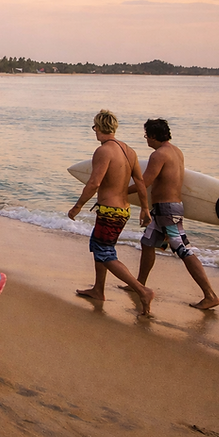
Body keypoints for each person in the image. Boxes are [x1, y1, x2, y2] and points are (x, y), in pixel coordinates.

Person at [69, 110, 155, 316]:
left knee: (105, 253)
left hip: (109, 211)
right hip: (123, 210)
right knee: (100, 247)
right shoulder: (129, 151)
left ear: (98, 127)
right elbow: (141, 182)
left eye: (94, 127)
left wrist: (78, 205)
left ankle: (142, 290)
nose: (94, 131)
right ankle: (98, 289)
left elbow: (94, 182)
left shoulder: (104, 151)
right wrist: (144, 208)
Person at [129, 119, 219, 310]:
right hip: (166, 209)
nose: (146, 139)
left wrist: (120, 191)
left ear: (153, 136)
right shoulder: (176, 151)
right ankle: (139, 285)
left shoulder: (159, 154)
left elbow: (145, 182)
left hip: (167, 210)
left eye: (146, 135)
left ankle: (210, 295)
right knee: (147, 242)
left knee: (182, 249)